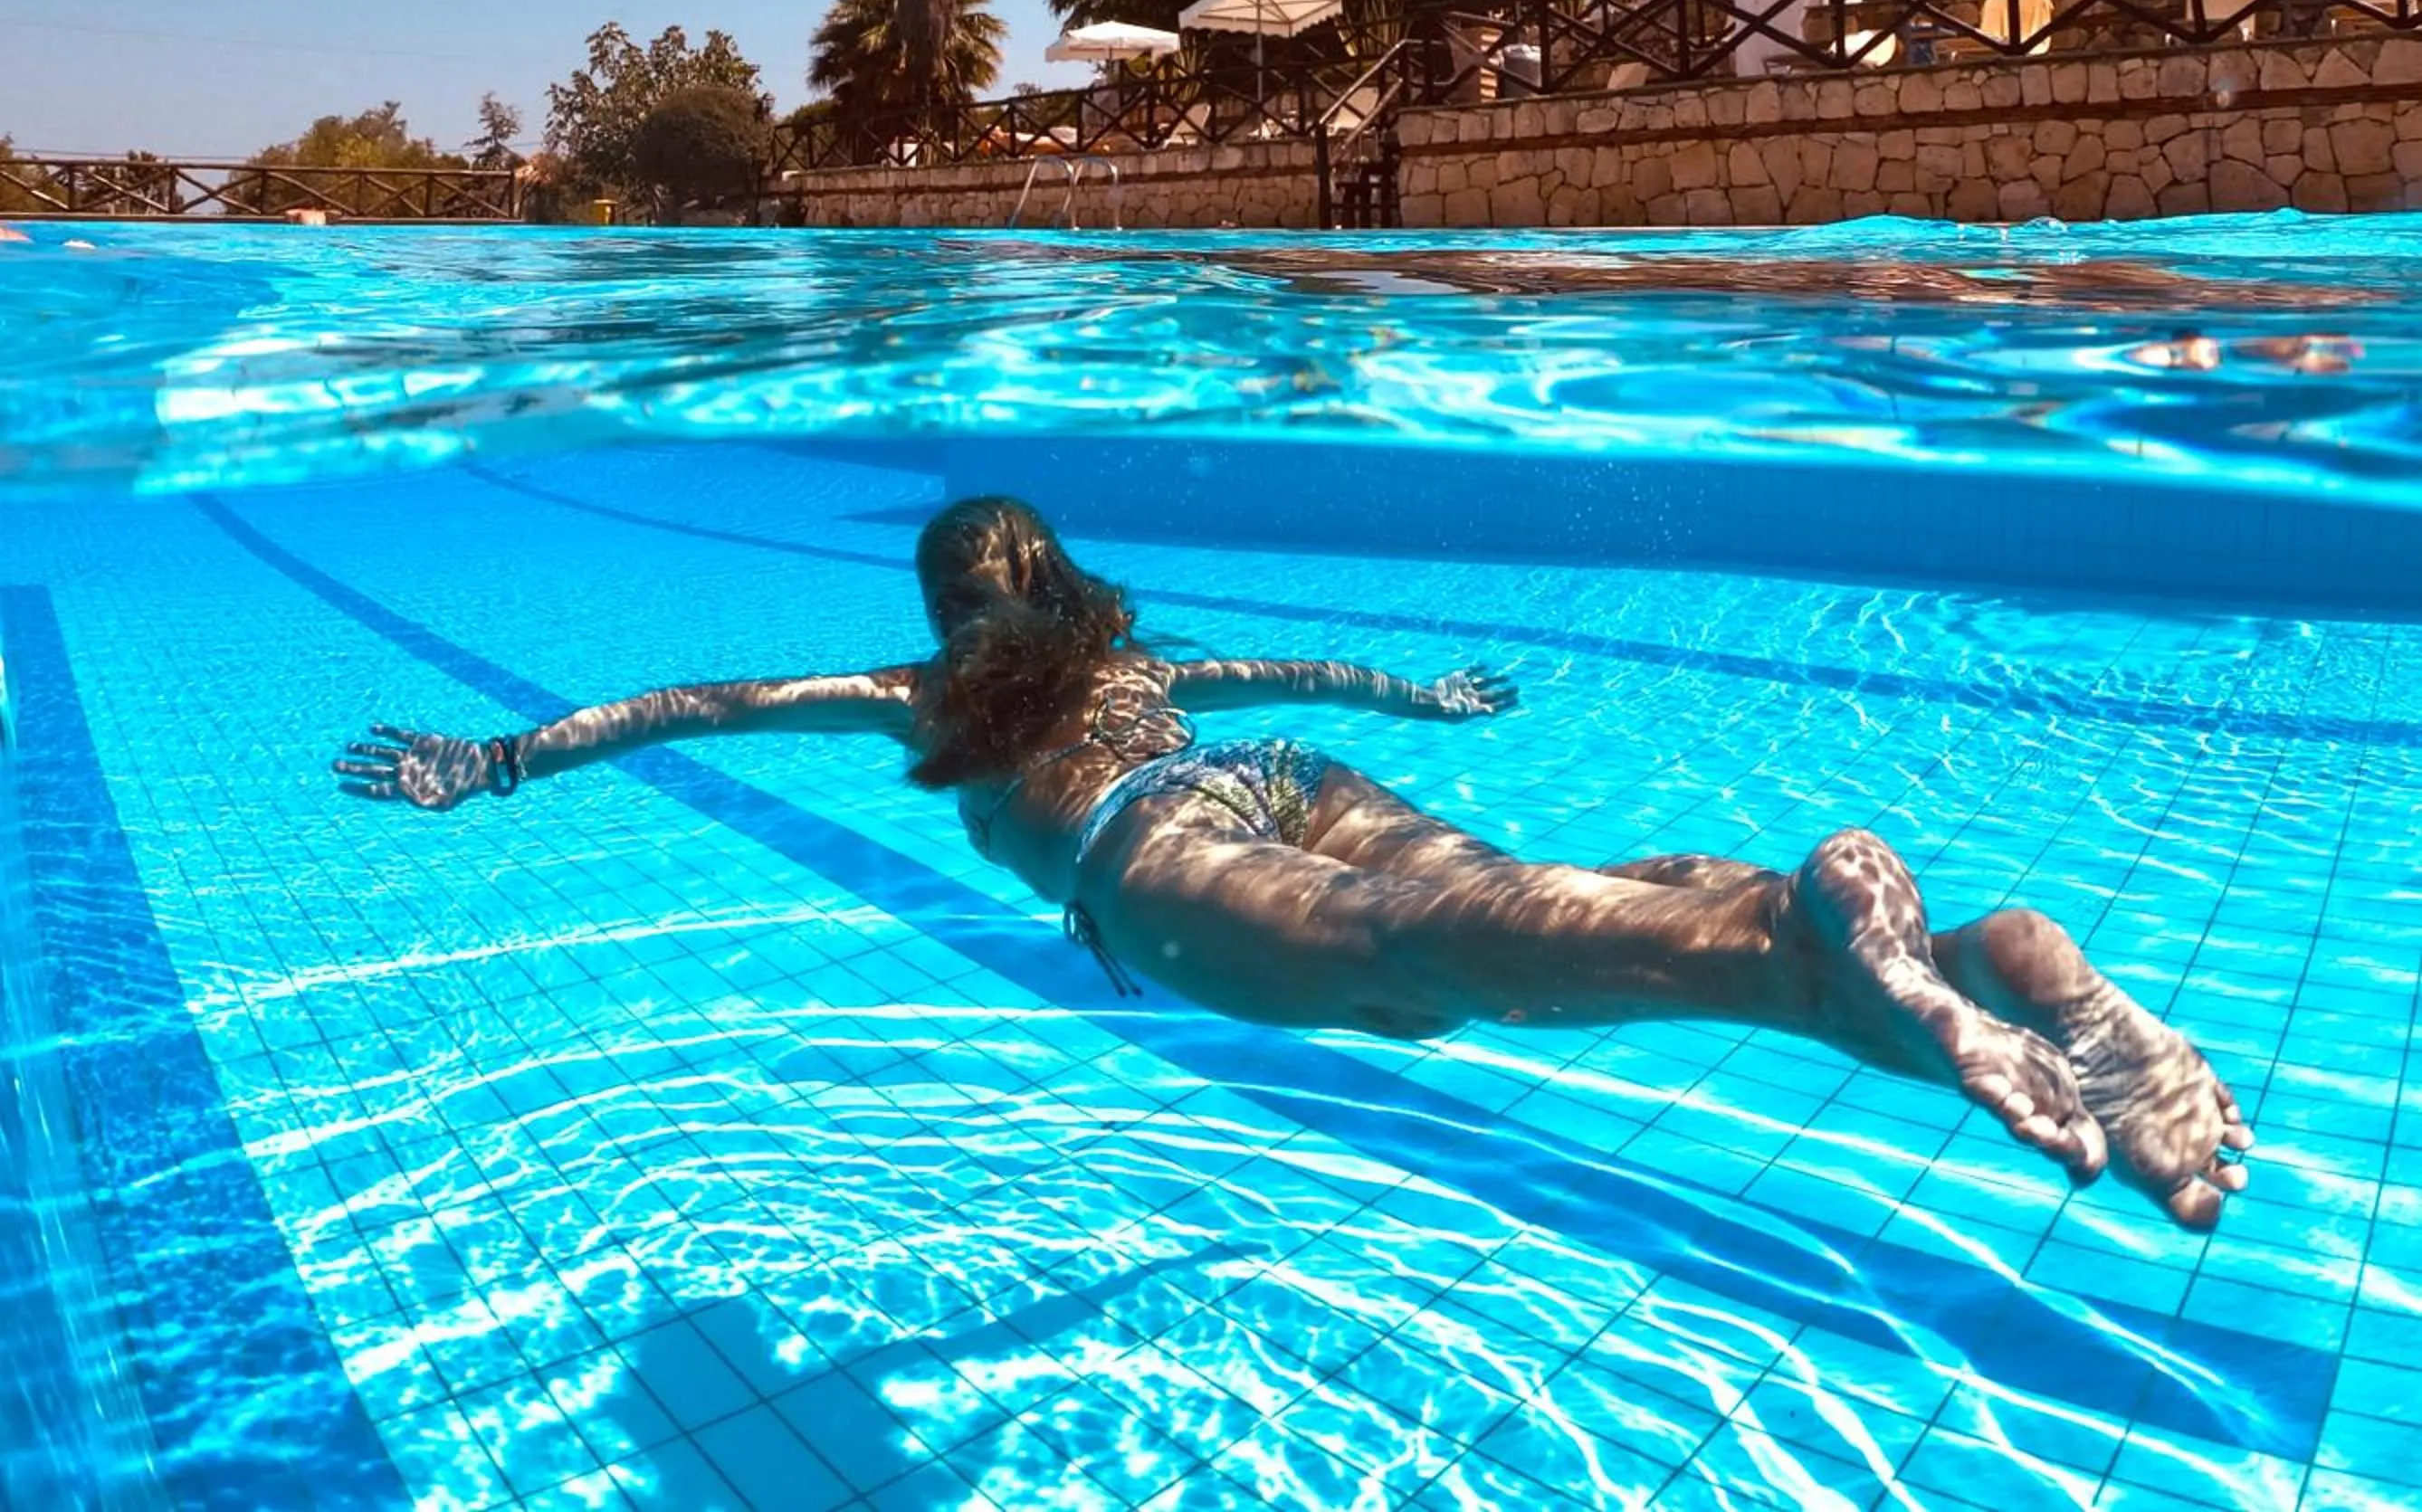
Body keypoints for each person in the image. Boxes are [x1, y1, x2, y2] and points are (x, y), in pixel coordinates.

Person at [336, 495, 2251, 1229]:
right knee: (1519, 900)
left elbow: (693, 704)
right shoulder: (1140, 658)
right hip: (1278, 769)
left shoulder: (915, 695)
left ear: (948, 608)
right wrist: (1421, 695)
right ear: (1063, 588)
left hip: (1151, 842)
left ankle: (1826, 959)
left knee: (1417, 954)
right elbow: (1303, 674)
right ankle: (1942, 957)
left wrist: (499, 759)